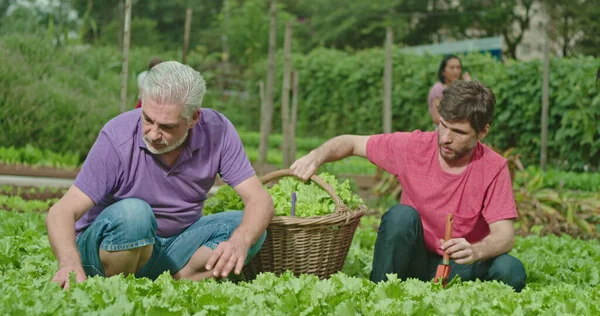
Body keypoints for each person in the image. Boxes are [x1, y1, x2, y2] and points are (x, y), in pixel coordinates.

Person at [46, 61, 274, 289]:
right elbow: (62, 211)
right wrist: (68, 263)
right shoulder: (117, 136)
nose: (153, 134)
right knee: (135, 214)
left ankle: (171, 283)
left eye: (167, 127)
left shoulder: (218, 131)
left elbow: (259, 199)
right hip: (108, 250)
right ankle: (114, 288)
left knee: (248, 228)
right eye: (147, 119)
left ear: (194, 118)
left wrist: (241, 240)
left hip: (174, 246)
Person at [291, 80, 527, 292]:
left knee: (511, 270)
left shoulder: (493, 167)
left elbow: (504, 236)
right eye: (443, 125)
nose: (445, 137)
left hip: (461, 267)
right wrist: (315, 156)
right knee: (400, 216)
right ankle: (380, 294)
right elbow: (351, 143)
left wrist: (476, 251)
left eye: (458, 132)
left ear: (483, 131)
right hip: (415, 261)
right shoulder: (413, 146)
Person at [428, 55, 471, 126]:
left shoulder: (461, 88)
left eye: (458, 67)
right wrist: (457, 125)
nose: (455, 71)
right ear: (443, 71)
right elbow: (436, 118)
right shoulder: (438, 89)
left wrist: (468, 85)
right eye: (452, 68)